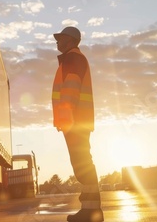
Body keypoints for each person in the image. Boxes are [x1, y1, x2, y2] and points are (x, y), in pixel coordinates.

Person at [52, 26, 103, 222]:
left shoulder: (73, 58)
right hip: (76, 121)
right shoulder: (72, 59)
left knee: (83, 165)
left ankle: (92, 212)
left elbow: (70, 90)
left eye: (60, 38)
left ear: (71, 40)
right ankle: (90, 210)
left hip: (75, 122)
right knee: (82, 164)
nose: (57, 41)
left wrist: (67, 119)